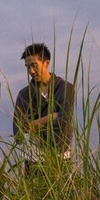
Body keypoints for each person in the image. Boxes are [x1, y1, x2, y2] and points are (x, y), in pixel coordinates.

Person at [12, 43, 75, 175]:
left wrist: (32, 125)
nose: (31, 71)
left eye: (34, 65)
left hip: (61, 159)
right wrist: (50, 117)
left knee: (63, 195)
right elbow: (18, 134)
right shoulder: (24, 95)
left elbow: (63, 125)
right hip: (33, 160)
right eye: (27, 67)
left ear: (46, 63)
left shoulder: (66, 88)